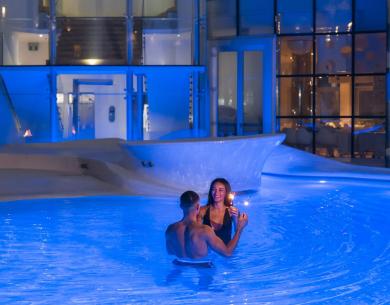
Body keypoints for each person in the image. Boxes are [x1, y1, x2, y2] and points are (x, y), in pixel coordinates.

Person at [165, 190, 248, 264]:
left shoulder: (170, 229)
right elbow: (227, 253)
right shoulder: (205, 231)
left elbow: (170, 252)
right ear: (198, 207)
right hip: (203, 266)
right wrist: (239, 229)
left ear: (181, 206)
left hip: (179, 264)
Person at [198, 178, 239, 245]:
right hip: (208, 252)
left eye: (221, 190)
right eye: (213, 189)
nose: (216, 193)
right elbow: (196, 233)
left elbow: (237, 231)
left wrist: (236, 218)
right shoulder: (203, 211)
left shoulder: (232, 212)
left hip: (225, 250)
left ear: (226, 192)